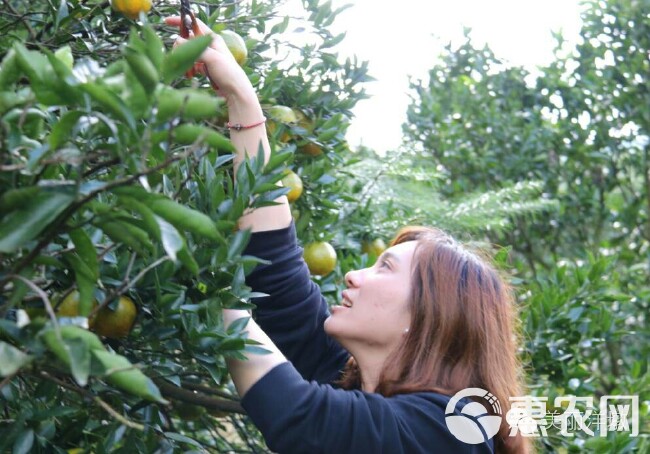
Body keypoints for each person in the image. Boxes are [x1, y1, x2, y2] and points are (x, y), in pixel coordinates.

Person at [165, 16, 530, 454]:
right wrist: (240, 96)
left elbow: (301, 420)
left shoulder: (451, 431)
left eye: (385, 268)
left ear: (426, 316)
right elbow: (277, 279)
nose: (354, 274)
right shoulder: (355, 383)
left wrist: (202, 281)